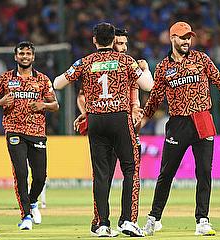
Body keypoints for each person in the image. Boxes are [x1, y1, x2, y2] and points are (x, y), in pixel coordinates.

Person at [140, 21, 220, 236]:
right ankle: (154, 218)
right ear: (172, 38)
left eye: (189, 37)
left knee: (204, 172)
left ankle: (202, 220)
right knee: (166, 174)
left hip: (203, 120)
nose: (186, 41)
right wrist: (143, 122)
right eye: (182, 37)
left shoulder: (201, 59)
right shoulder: (164, 67)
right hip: (178, 124)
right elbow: (154, 100)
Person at [54, 22, 146, 237]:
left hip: (95, 120)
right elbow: (147, 86)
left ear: (94, 40)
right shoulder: (124, 60)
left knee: (101, 175)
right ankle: (128, 221)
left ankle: (103, 224)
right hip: (119, 118)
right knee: (131, 169)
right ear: (113, 39)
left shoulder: (85, 62)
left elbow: (57, 83)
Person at [74, 27, 155, 236]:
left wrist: (137, 110)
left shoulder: (127, 65)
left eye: (126, 44)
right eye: (119, 43)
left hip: (123, 124)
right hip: (110, 121)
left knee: (122, 171)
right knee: (106, 174)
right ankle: (101, 221)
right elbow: (84, 96)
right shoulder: (103, 65)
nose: (123, 48)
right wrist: (86, 113)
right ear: (110, 43)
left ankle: (123, 220)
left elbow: (136, 99)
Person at [0, 41, 59, 231]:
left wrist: (43, 105)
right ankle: (25, 215)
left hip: (37, 131)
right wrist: (0, 101)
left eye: (28, 54)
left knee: (40, 177)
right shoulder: (4, 78)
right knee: (20, 173)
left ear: (33, 57)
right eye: (21, 54)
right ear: (15, 57)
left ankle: (33, 201)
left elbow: (55, 105)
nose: (25, 56)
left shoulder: (42, 79)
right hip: (14, 130)